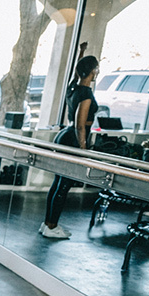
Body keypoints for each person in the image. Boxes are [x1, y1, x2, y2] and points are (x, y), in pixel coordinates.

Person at [41, 43, 98, 239]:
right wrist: (83, 150)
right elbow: (80, 125)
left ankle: (48, 224)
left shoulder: (74, 86)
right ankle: (52, 226)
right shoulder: (86, 93)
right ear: (93, 71)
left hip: (63, 137)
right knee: (63, 185)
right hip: (73, 139)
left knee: (58, 183)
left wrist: (81, 52)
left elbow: (75, 73)